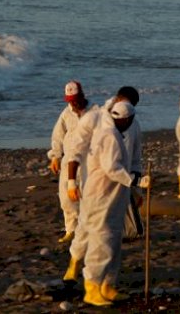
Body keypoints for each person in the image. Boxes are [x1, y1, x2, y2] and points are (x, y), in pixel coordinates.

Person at [78, 102, 150, 306]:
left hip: (114, 197)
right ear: (126, 119)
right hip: (101, 197)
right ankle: (92, 287)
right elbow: (111, 168)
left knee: (114, 242)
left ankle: (107, 285)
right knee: (102, 242)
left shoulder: (114, 134)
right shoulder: (109, 135)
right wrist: (134, 181)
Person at [48, 81, 99, 243]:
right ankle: (71, 230)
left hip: (89, 161)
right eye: (70, 100)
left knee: (88, 196)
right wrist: (55, 156)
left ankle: (88, 230)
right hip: (69, 159)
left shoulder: (96, 111)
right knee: (66, 197)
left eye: (75, 100)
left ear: (82, 96)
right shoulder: (66, 113)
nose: (73, 104)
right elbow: (58, 134)